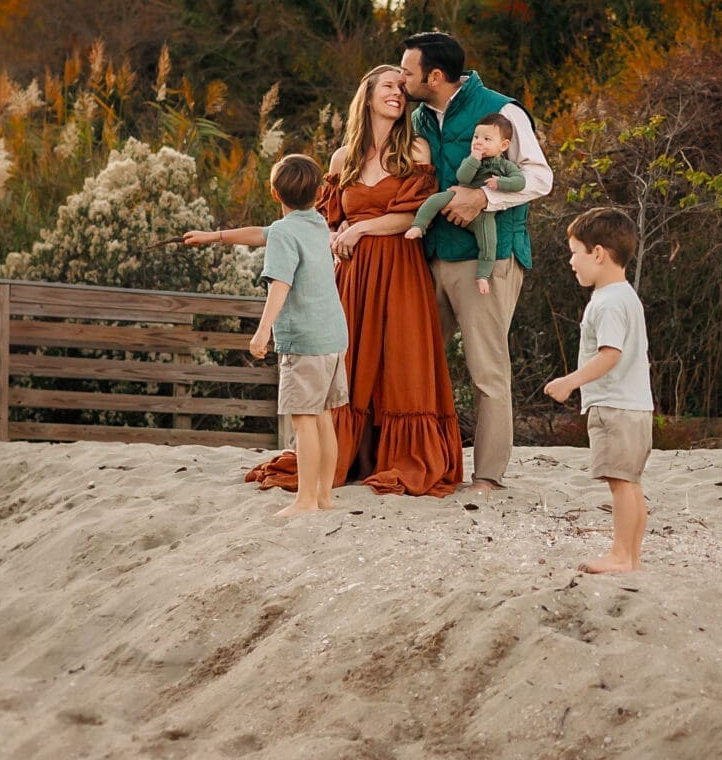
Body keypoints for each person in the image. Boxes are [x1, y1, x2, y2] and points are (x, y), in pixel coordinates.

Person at [218, 66, 465, 498]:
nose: (397, 94)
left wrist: (361, 229)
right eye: (388, 86)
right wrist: (339, 236)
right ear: (366, 95)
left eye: (402, 90)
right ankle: (343, 457)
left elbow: (414, 217)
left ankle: (397, 458)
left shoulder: (417, 150)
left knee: (401, 362)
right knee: (354, 365)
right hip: (352, 274)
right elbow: (323, 222)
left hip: (401, 270)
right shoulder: (341, 158)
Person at [400, 32, 552, 492]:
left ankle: (488, 476)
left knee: (486, 369)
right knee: (421, 365)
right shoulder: (420, 117)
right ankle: (426, 465)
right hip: (430, 257)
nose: (402, 78)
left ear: (436, 76)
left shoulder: (501, 110)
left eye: (408, 71)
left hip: (489, 258)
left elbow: (540, 178)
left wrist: (482, 198)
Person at [182, 155, 348, 518]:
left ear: (275, 193)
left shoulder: (287, 233)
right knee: (323, 418)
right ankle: (323, 496)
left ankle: (305, 500)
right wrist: (214, 236)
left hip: (304, 341)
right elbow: (262, 233)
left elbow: (280, 285)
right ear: (320, 192)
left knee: (303, 421)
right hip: (333, 338)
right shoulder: (316, 223)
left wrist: (261, 334)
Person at [544, 207, 653, 573]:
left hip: (614, 406)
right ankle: (632, 556)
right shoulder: (626, 296)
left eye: (575, 252)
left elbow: (609, 355)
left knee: (621, 485)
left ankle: (621, 555)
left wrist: (569, 382)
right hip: (637, 407)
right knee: (631, 483)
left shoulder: (606, 302)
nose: (571, 261)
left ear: (599, 253)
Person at [405, 113, 527, 295]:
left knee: (489, 243)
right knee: (435, 199)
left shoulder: (505, 166)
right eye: (476, 137)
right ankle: (418, 225)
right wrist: (473, 159)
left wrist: (500, 183)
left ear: (503, 145)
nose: (478, 142)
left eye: (487, 139)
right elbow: (463, 177)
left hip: (485, 215)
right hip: (458, 194)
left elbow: (520, 182)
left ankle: (483, 276)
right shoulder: (472, 160)